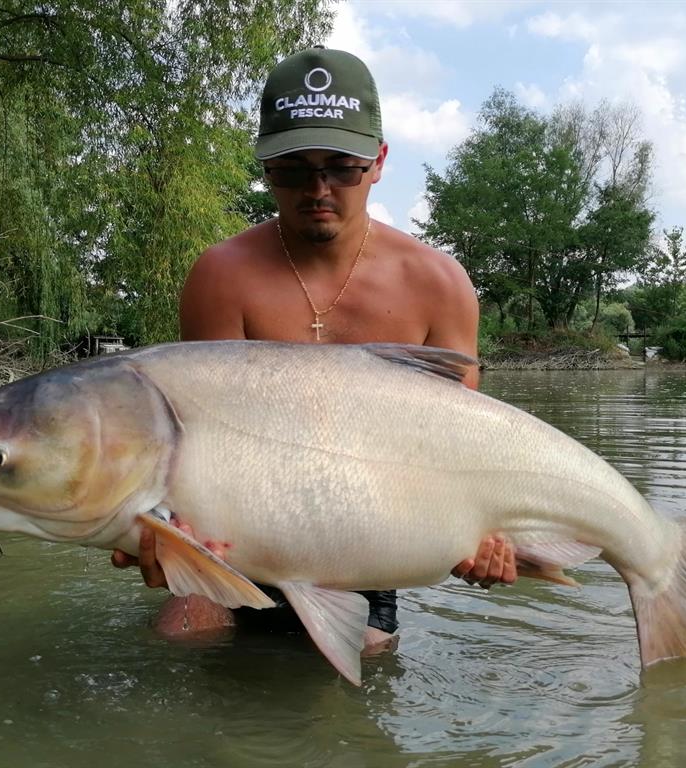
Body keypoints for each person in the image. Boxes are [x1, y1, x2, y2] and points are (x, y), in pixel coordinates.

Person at [112, 46, 517, 652]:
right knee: (182, 647)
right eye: (292, 169)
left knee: (361, 679)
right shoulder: (222, 276)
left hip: (369, 535)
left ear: (378, 162)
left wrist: (476, 537)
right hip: (238, 531)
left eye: (341, 167)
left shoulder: (439, 284)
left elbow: (450, 450)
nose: (318, 188)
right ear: (265, 168)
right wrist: (153, 528)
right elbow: (204, 443)